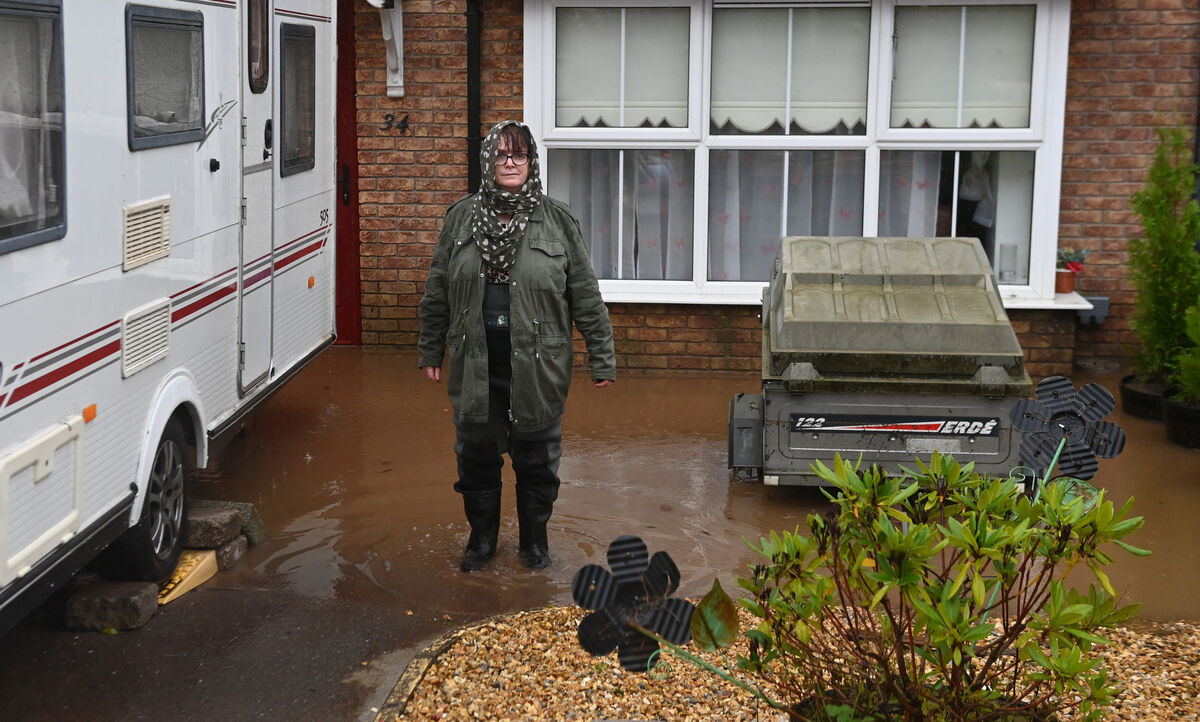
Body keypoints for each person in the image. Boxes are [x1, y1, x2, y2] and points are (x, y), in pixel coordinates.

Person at [418, 120, 615, 572]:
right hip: (475, 360)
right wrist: (431, 349)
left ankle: (534, 544)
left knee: (537, 456)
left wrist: (601, 356)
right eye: (502, 154)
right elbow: (437, 289)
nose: (510, 162)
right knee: (476, 455)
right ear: (488, 160)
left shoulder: (558, 220)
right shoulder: (461, 218)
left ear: (531, 163)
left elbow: (584, 293)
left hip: (540, 361)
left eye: (519, 155)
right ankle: (482, 541)